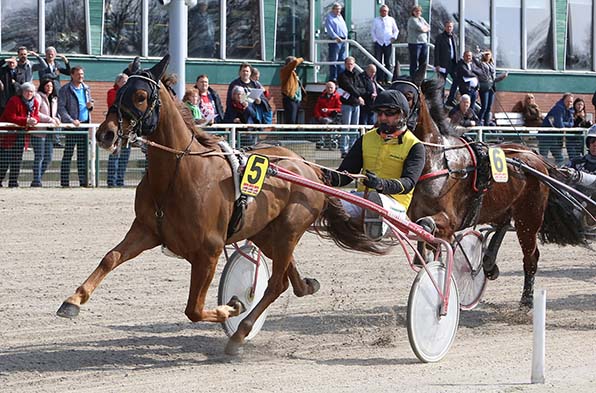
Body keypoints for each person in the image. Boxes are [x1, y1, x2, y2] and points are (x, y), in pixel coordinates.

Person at [322, 89, 425, 239]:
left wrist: (381, 184)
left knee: (376, 202)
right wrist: (320, 174)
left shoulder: (415, 146)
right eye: (379, 113)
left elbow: (408, 183)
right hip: (362, 200)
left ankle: (370, 228)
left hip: (394, 205)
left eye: (389, 113)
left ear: (402, 114)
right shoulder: (366, 139)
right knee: (325, 202)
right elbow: (345, 175)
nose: (382, 118)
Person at [59, 66, 94, 187]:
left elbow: (89, 105)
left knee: (83, 155)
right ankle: (64, 182)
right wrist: (70, 120)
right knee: (68, 153)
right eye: (78, 74)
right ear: (72, 75)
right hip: (72, 126)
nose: (81, 77)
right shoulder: (65, 89)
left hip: (84, 125)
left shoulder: (86, 88)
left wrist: (90, 106)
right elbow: (61, 108)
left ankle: (83, 181)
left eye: (82, 74)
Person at [0, 82, 40, 187]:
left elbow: (36, 116)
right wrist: (26, 120)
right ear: (22, 92)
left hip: (22, 134)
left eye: (31, 91)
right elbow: (10, 116)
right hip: (8, 134)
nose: (29, 93)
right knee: (4, 160)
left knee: (17, 159)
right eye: (27, 91)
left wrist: (34, 120)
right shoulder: (14, 101)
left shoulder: (35, 102)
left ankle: (13, 181)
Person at [31, 78, 60, 187]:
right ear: (43, 86)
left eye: (51, 86)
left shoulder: (54, 99)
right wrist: (49, 119)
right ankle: (37, 181)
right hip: (39, 132)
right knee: (39, 157)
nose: (49, 88)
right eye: (47, 86)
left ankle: (38, 178)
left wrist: (56, 118)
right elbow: (36, 113)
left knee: (48, 158)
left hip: (50, 132)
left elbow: (54, 113)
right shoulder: (38, 96)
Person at [337, 56, 365, 158]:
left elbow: (362, 88)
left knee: (354, 128)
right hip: (347, 105)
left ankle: (352, 148)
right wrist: (358, 94)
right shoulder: (342, 75)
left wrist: (356, 93)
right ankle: (344, 150)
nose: (350, 66)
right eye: (348, 64)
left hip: (356, 104)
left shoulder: (357, 75)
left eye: (351, 64)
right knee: (346, 128)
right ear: (345, 64)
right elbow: (348, 87)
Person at [106, 73, 131, 188]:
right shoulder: (112, 93)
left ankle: (120, 180)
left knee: (124, 157)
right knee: (114, 155)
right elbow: (114, 105)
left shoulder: (129, 94)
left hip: (126, 129)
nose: (126, 84)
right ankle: (112, 181)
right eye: (124, 81)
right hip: (116, 128)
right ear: (118, 82)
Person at [473, 49, 508, 126]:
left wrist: (502, 77)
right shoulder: (481, 64)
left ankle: (486, 123)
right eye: (486, 54)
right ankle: (478, 123)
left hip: (491, 86)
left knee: (489, 107)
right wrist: (482, 53)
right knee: (484, 107)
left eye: (488, 54)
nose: (487, 56)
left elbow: (494, 79)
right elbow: (474, 57)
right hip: (484, 87)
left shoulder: (492, 65)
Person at [541, 93, 574, 166]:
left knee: (560, 159)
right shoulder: (558, 108)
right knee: (542, 158)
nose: (569, 103)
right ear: (563, 100)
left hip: (555, 137)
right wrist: (567, 124)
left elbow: (572, 124)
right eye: (567, 101)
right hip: (545, 136)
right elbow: (560, 125)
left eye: (571, 102)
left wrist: (565, 124)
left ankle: (557, 173)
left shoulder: (570, 110)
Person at [371, 4, 398, 84]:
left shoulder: (391, 20)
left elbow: (396, 30)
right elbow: (373, 31)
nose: (384, 12)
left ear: (387, 11)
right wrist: (375, 40)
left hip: (388, 43)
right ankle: (380, 79)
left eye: (385, 11)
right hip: (379, 43)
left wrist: (394, 37)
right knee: (378, 62)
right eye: (382, 11)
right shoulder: (376, 20)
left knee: (388, 62)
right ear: (380, 12)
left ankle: (387, 79)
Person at [434, 20, 459, 106]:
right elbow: (436, 51)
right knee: (441, 83)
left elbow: (456, 50)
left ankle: (450, 98)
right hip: (443, 64)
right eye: (448, 26)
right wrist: (437, 64)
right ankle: (440, 103)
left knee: (457, 79)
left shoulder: (454, 37)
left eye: (451, 27)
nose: (449, 28)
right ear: (445, 27)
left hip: (453, 63)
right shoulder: (440, 37)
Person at [324, 2, 348, 81]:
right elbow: (329, 29)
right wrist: (335, 37)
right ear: (333, 9)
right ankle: (333, 77)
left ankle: (341, 77)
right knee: (334, 59)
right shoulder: (330, 17)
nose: (338, 11)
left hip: (343, 40)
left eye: (339, 9)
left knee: (342, 59)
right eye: (337, 9)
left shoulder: (340, 17)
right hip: (335, 41)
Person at [406, 5, 430, 82]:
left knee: (423, 63)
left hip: (423, 43)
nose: (418, 13)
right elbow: (421, 28)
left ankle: (421, 78)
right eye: (416, 11)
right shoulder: (412, 20)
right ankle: (413, 78)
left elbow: (428, 27)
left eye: (419, 11)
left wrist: (426, 28)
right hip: (415, 43)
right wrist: (425, 28)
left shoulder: (422, 19)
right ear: (413, 12)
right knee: (414, 62)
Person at [280, 56, 305, 124]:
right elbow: (295, 62)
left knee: (296, 121)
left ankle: (295, 134)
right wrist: (302, 58)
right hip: (290, 99)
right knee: (291, 120)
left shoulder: (293, 73)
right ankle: (289, 134)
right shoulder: (286, 71)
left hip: (297, 100)